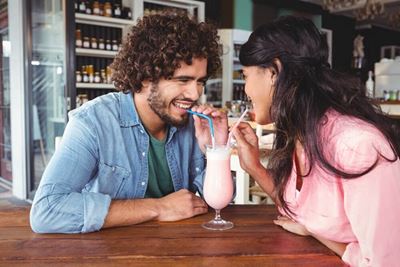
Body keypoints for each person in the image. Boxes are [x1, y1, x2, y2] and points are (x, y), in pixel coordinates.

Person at [30, 13, 228, 234]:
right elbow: (47, 210)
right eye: (183, 80)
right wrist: (159, 207)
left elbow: (217, 207)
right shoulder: (93, 122)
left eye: (200, 81)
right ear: (145, 77)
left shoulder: (195, 125)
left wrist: (215, 149)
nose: (194, 93)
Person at [232, 16, 400, 266]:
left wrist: (315, 233)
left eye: (245, 75)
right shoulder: (301, 133)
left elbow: (385, 261)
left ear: (274, 72)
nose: (245, 89)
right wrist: (254, 167)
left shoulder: (358, 146)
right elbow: (299, 211)